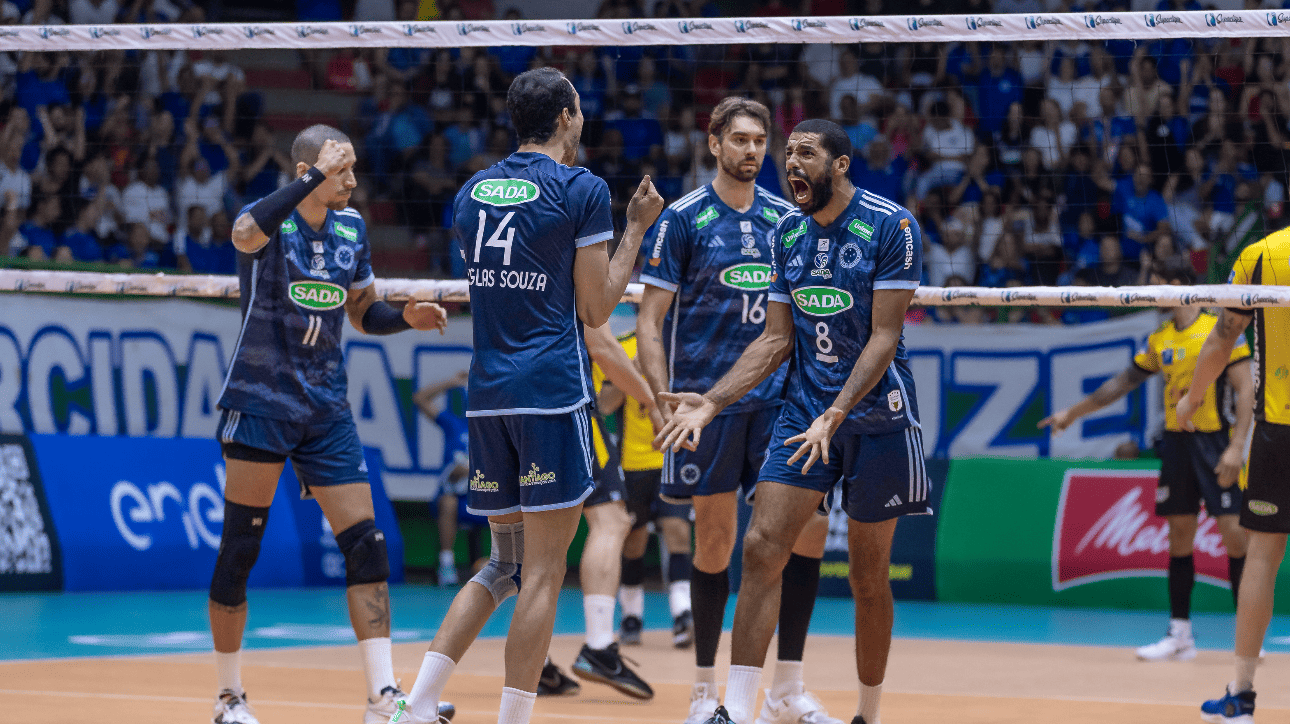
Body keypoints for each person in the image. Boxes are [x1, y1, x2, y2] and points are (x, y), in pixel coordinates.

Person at [390, 67, 663, 724]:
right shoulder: (583, 189)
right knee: (543, 573)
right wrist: (636, 229)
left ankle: (414, 704)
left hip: (488, 397)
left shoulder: (472, 192)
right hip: (552, 395)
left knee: (503, 565)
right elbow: (596, 310)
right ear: (569, 115)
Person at [656, 118, 929, 724]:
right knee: (759, 547)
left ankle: (868, 712)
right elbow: (775, 340)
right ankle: (739, 708)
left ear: (840, 165)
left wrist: (839, 412)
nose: (790, 163)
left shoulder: (892, 226)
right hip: (805, 412)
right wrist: (714, 399)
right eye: (789, 154)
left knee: (866, 575)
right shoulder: (789, 234)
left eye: (806, 153)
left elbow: (885, 336)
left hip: (877, 418)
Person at [210, 124, 452, 724]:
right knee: (241, 548)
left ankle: (382, 697)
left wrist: (407, 318)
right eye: (338, 169)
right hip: (260, 401)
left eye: (349, 169)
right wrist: (313, 178)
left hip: (326, 407)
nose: (350, 180)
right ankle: (228, 697)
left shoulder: (351, 228)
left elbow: (364, 312)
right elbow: (241, 234)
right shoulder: (271, 222)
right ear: (306, 173)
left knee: (366, 544)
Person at [636, 97, 840, 724]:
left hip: (779, 403)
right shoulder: (684, 219)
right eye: (740, 140)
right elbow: (648, 319)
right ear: (715, 142)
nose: (752, 150)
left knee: (803, 535)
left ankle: (788, 687)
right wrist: (660, 394)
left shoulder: (788, 219)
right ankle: (704, 691)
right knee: (716, 542)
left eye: (760, 141)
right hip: (706, 405)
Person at [1039, 258, 1253, 662]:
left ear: (1175, 284)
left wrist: (1237, 446)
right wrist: (1073, 412)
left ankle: (1248, 634)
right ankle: (1180, 635)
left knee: (1235, 536)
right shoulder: (1160, 339)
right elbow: (1121, 383)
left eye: (1155, 285)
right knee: (1179, 536)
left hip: (1216, 440)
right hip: (1177, 443)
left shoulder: (1220, 329)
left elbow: (1245, 390)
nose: (1149, 292)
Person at [1185, 228, 1290, 724]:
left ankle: (1241, 697)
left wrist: (1192, 395)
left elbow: (1223, 337)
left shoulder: (1261, 254)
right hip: (1274, 431)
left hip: (1279, 432)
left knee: (1263, 557)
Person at [606, 330, 695, 650]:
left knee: (678, 530)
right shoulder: (622, 344)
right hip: (632, 463)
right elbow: (604, 405)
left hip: (671, 458)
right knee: (635, 540)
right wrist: (630, 369)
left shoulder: (681, 344)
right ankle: (631, 616)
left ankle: (682, 613)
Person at [412, 370, 472, 587]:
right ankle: (446, 564)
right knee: (448, 502)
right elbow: (419, 398)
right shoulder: (454, 425)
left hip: (485, 494)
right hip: (455, 494)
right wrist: (451, 381)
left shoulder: (493, 428)